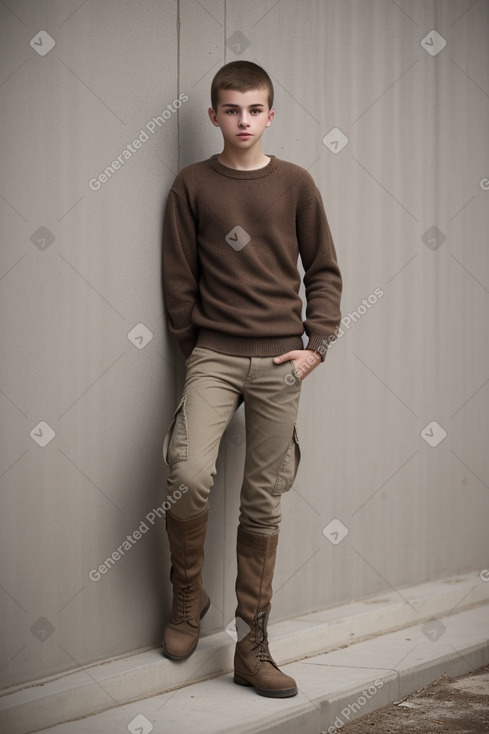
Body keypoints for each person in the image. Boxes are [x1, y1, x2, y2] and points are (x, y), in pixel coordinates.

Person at [161, 60, 342, 698]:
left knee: (263, 501)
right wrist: (197, 347)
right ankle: (189, 598)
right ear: (214, 115)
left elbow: (323, 269)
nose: (244, 121)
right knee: (187, 470)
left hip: (279, 360)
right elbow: (179, 278)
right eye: (231, 109)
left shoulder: (296, 183)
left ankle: (252, 644)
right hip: (213, 352)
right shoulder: (192, 185)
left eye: (255, 109)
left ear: (270, 115)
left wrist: (315, 346)